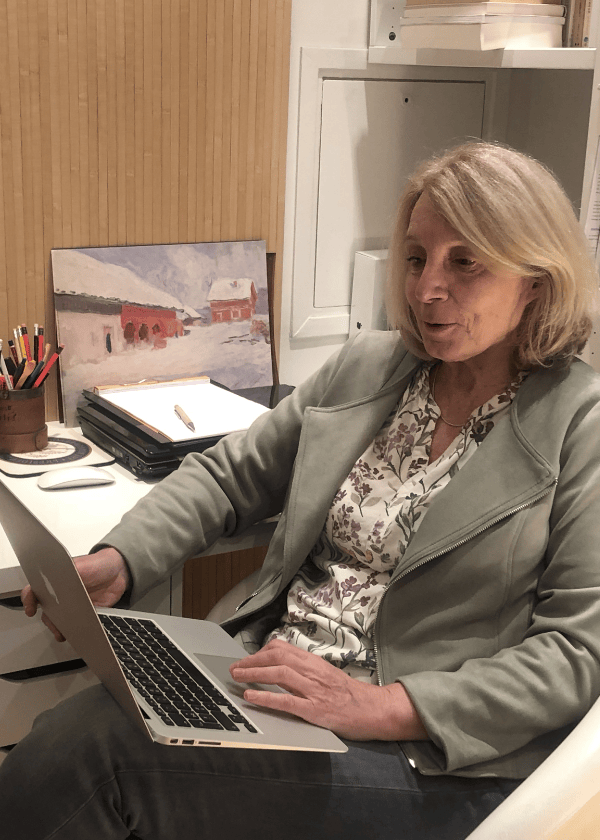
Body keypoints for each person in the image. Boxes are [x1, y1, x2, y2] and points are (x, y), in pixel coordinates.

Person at [2, 140, 600, 840]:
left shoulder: (580, 422)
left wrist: (382, 706)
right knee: (78, 729)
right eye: (417, 258)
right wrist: (123, 558)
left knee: (99, 759)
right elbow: (230, 476)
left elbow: (575, 654)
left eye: (465, 261)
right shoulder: (372, 367)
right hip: (278, 683)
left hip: (427, 755)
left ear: (535, 278)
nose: (427, 289)